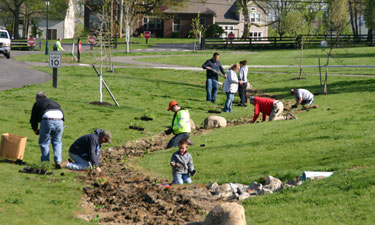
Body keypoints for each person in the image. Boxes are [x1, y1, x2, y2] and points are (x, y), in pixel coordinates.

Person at [30, 91, 64, 168]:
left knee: (44, 142)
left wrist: (35, 130)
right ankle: (58, 161)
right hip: (60, 119)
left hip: (47, 119)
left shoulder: (37, 103)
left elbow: (33, 119)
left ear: (38, 98)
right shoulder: (54, 102)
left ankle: (45, 162)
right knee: (57, 142)